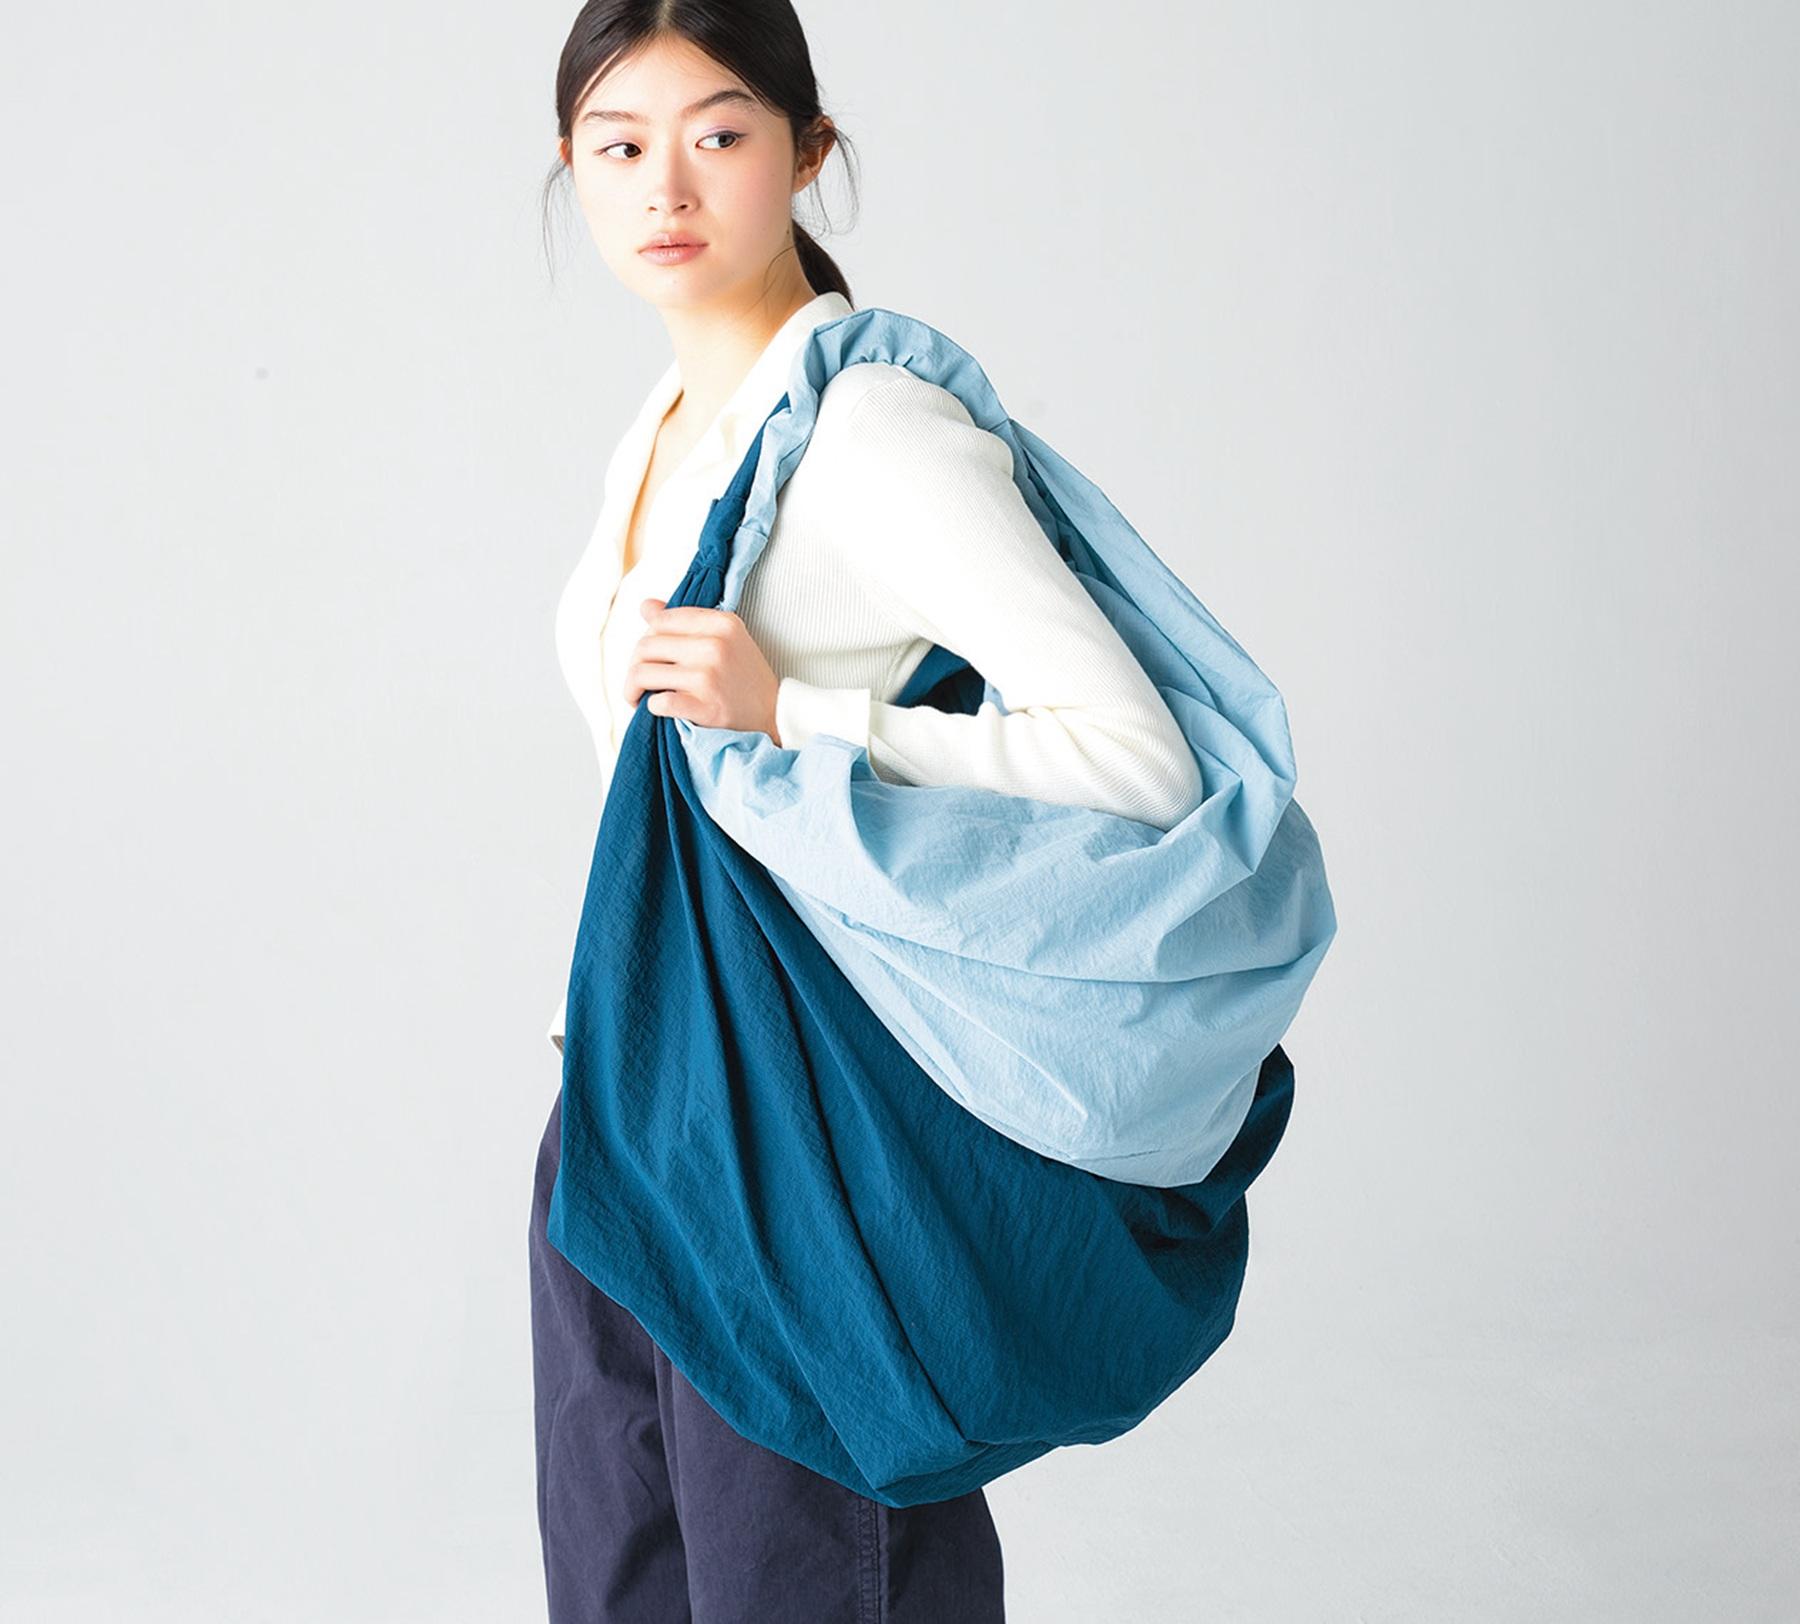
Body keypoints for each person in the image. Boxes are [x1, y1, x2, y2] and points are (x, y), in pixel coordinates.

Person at [529, 5, 1206, 1619]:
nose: (665, 185)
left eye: (720, 133)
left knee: (814, 1585)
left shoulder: (867, 428)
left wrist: (798, 715)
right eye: (620, 144)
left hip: (803, 1128)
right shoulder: (662, 435)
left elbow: (1138, 765)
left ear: (807, 153)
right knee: (623, 1582)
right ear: (572, 167)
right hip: (629, 1108)